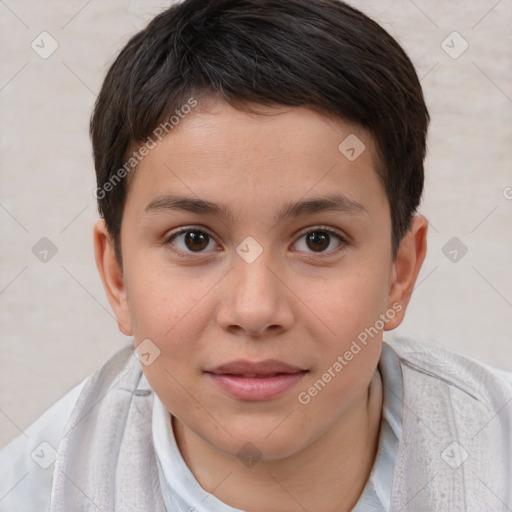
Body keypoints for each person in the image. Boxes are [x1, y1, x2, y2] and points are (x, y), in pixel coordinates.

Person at [1, 0, 511, 510]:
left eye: (318, 240)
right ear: (117, 278)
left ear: (399, 273)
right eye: (194, 240)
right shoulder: (35, 489)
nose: (255, 310)